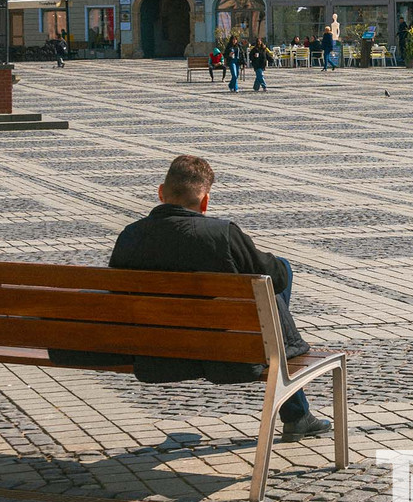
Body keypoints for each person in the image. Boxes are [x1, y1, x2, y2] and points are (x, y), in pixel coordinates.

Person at [103, 156, 332, 442]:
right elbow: (276, 279)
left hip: (154, 349)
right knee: (280, 268)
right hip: (229, 351)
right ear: (205, 201)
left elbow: (117, 293)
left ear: (161, 192)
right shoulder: (222, 234)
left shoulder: (130, 235)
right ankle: (295, 410)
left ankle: (296, 410)